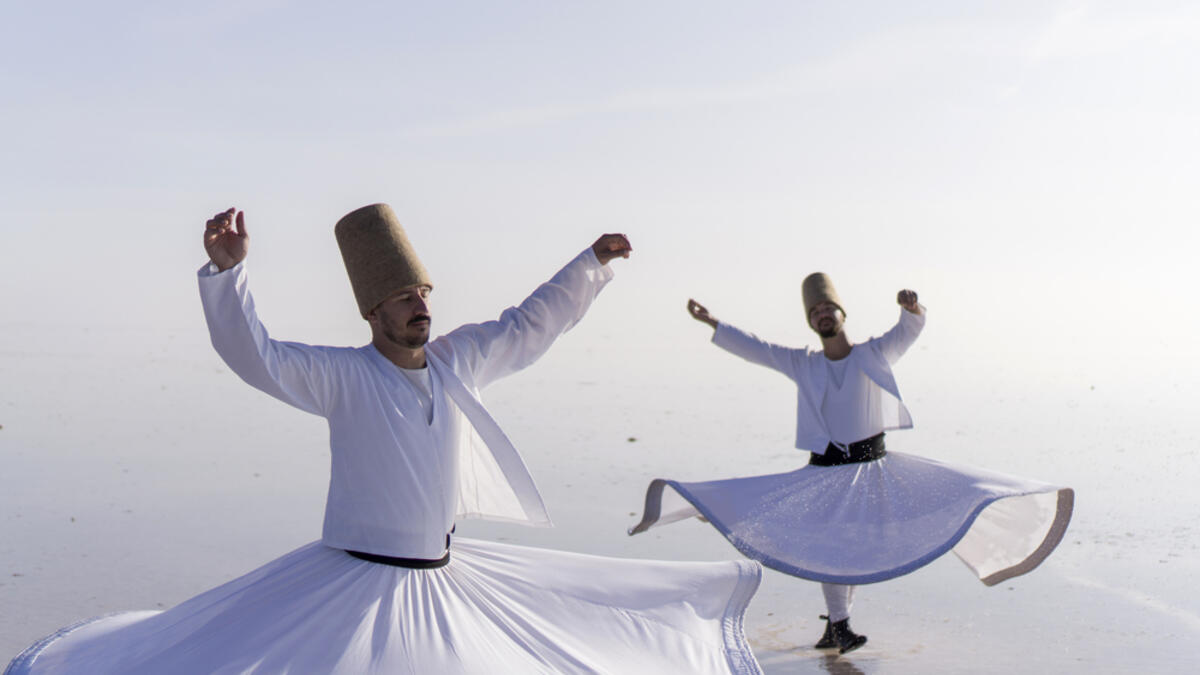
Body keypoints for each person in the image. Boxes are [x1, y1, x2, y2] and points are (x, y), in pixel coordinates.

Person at [8, 204, 762, 674]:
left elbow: (531, 325)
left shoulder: (460, 359)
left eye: (424, 292)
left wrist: (590, 264)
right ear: (373, 310)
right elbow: (256, 356)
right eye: (404, 297)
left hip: (443, 577)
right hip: (351, 583)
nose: (419, 305)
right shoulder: (343, 376)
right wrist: (226, 275)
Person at [628, 272, 1073, 655]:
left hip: (872, 467)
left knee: (864, 543)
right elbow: (757, 349)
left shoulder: (872, 354)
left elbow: (909, 331)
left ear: (842, 314)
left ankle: (834, 625)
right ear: (811, 322)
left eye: (828, 308)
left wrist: (912, 308)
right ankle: (839, 625)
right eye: (815, 312)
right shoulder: (802, 364)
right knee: (834, 546)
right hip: (824, 470)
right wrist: (714, 323)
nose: (823, 315)